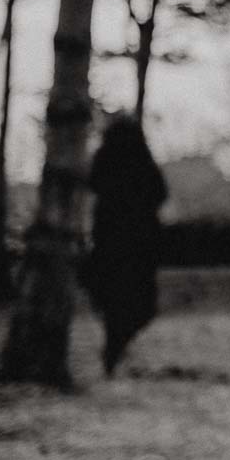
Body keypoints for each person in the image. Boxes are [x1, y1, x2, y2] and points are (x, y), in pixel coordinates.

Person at [83, 115, 169, 375]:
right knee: (137, 303)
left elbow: (92, 186)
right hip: (135, 245)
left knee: (114, 302)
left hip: (114, 244)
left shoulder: (106, 160)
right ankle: (115, 346)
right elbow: (160, 194)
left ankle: (114, 345)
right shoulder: (142, 162)